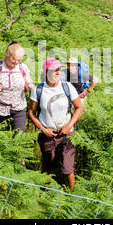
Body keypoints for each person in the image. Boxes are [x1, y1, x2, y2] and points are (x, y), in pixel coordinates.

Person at [28, 58, 83, 191]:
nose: (58, 73)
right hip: (47, 135)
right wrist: (42, 129)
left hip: (66, 134)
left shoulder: (67, 87)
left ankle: (71, 194)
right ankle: (44, 192)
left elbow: (79, 108)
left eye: (59, 70)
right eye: (54, 70)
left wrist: (69, 126)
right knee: (48, 166)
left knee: (67, 167)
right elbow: (31, 112)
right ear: (46, 72)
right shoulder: (38, 90)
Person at [0, 41, 34, 135]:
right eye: (13, 59)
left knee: (19, 138)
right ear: (7, 54)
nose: (16, 62)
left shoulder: (23, 67)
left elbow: (28, 82)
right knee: (0, 138)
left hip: (19, 108)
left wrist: (30, 86)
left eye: (19, 60)